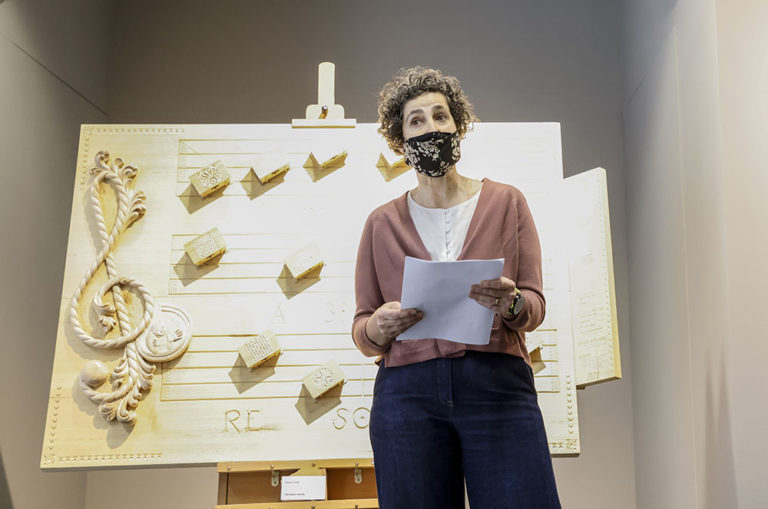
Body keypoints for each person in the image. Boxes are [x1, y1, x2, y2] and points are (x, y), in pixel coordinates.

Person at [351, 67, 561, 508]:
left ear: (458, 126)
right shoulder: (381, 223)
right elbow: (363, 327)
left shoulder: (506, 202)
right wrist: (378, 327)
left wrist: (512, 303)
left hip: (498, 386)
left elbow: (534, 304)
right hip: (407, 395)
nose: (431, 127)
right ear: (401, 141)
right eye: (416, 120)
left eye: (440, 115)